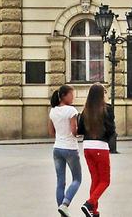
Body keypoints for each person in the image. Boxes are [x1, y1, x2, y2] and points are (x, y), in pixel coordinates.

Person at [77, 83, 116, 217]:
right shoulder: (107, 109)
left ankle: (93, 210)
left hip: (87, 147)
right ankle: (89, 203)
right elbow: (111, 129)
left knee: (95, 179)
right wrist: (108, 138)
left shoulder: (85, 110)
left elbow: (80, 130)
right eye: (104, 92)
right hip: (100, 146)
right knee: (105, 180)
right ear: (101, 94)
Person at [48, 84, 82, 217]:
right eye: (71, 95)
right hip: (70, 149)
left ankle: (62, 211)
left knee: (60, 181)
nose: (73, 97)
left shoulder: (53, 111)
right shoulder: (71, 110)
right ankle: (65, 204)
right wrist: (82, 133)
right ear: (64, 96)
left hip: (57, 148)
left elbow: (51, 132)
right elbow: (74, 132)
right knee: (77, 179)